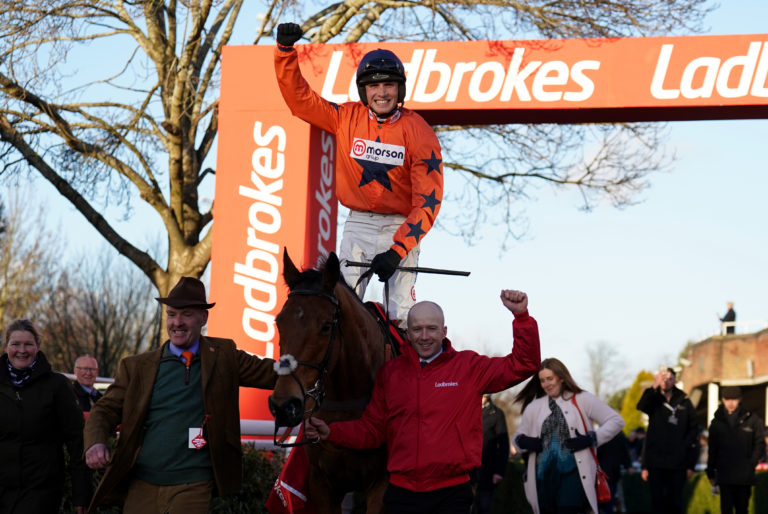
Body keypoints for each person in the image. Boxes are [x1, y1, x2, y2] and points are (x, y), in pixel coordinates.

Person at [303, 289, 541, 514]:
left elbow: (524, 364)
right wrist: (331, 431)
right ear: (408, 332)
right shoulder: (391, 373)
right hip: (401, 493)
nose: (424, 336)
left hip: (452, 493)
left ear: (444, 331)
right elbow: (373, 429)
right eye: (417, 329)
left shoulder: (468, 367)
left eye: (431, 329)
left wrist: (521, 318)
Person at [274, 23, 444, 325]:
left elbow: (428, 203)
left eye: (389, 85)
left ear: (399, 89)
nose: (382, 93)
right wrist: (285, 54)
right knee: (339, 306)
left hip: (400, 225)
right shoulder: (344, 117)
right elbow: (300, 101)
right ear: (364, 91)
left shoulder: (419, 131)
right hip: (358, 223)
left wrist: (397, 249)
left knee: (402, 314)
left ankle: (407, 370)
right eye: (374, 86)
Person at [84, 277, 278, 512]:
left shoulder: (225, 355)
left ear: (203, 318)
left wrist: (314, 354)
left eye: (186, 314)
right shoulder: (136, 367)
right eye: (171, 314)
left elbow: (277, 374)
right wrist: (95, 443)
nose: (177, 322)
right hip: (142, 482)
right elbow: (104, 410)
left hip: (194, 483)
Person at [513, 358, 625, 514]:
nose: (546, 384)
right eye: (543, 380)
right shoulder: (534, 407)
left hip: (574, 475)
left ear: (561, 378)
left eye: (550, 379)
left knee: (569, 508)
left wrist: (592, 438)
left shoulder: (582, 399)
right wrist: (523, 441)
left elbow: (616, 420)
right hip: (543, 477)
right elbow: (517, 439)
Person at [0, 319, 90, 513]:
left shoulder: (56, 385)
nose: (21, 350)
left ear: (38, 346)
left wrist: (81, 493)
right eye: (15, 344)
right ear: (6, 346)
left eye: (28, 344)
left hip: (40, 490)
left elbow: (77, 441)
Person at [636, 367, 698, 514]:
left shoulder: (684, 401)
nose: (666, 381)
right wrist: (654, 385)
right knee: (657, 502)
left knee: (675, 501)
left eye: (670, 378)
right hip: (656, 461)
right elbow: (641, 406)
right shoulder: (654, 398)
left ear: (675, 381)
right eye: (663, 378)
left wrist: (689, 462)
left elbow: (693, 430)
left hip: (678, 462)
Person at [706, 386, 765, 514]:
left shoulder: (752, 419)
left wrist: (751, 463)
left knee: (742, 509)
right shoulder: (716, 423)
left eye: (734, 399)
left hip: (744, 475)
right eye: (727, 399)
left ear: (740, 399)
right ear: (722, 400)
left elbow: (759, 442)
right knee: (726, 509)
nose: (731, 403)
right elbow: (712, 449)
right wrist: (710, 471)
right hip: (724, 474)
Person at [475, 394, 510, 514]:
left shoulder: (497, 414)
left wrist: (499, 471)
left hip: (487, 471)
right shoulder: (466, 410)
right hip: (467, 471)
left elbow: (504, 445)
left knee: (484, 508)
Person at [596, 431, 632, 514]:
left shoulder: (601, 434)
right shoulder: (620, 436)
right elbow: (624, 453)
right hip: (615, 469)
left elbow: (598, 452)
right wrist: (628, 465)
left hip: (603, 469)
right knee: (611, 493)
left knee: (604, 494)